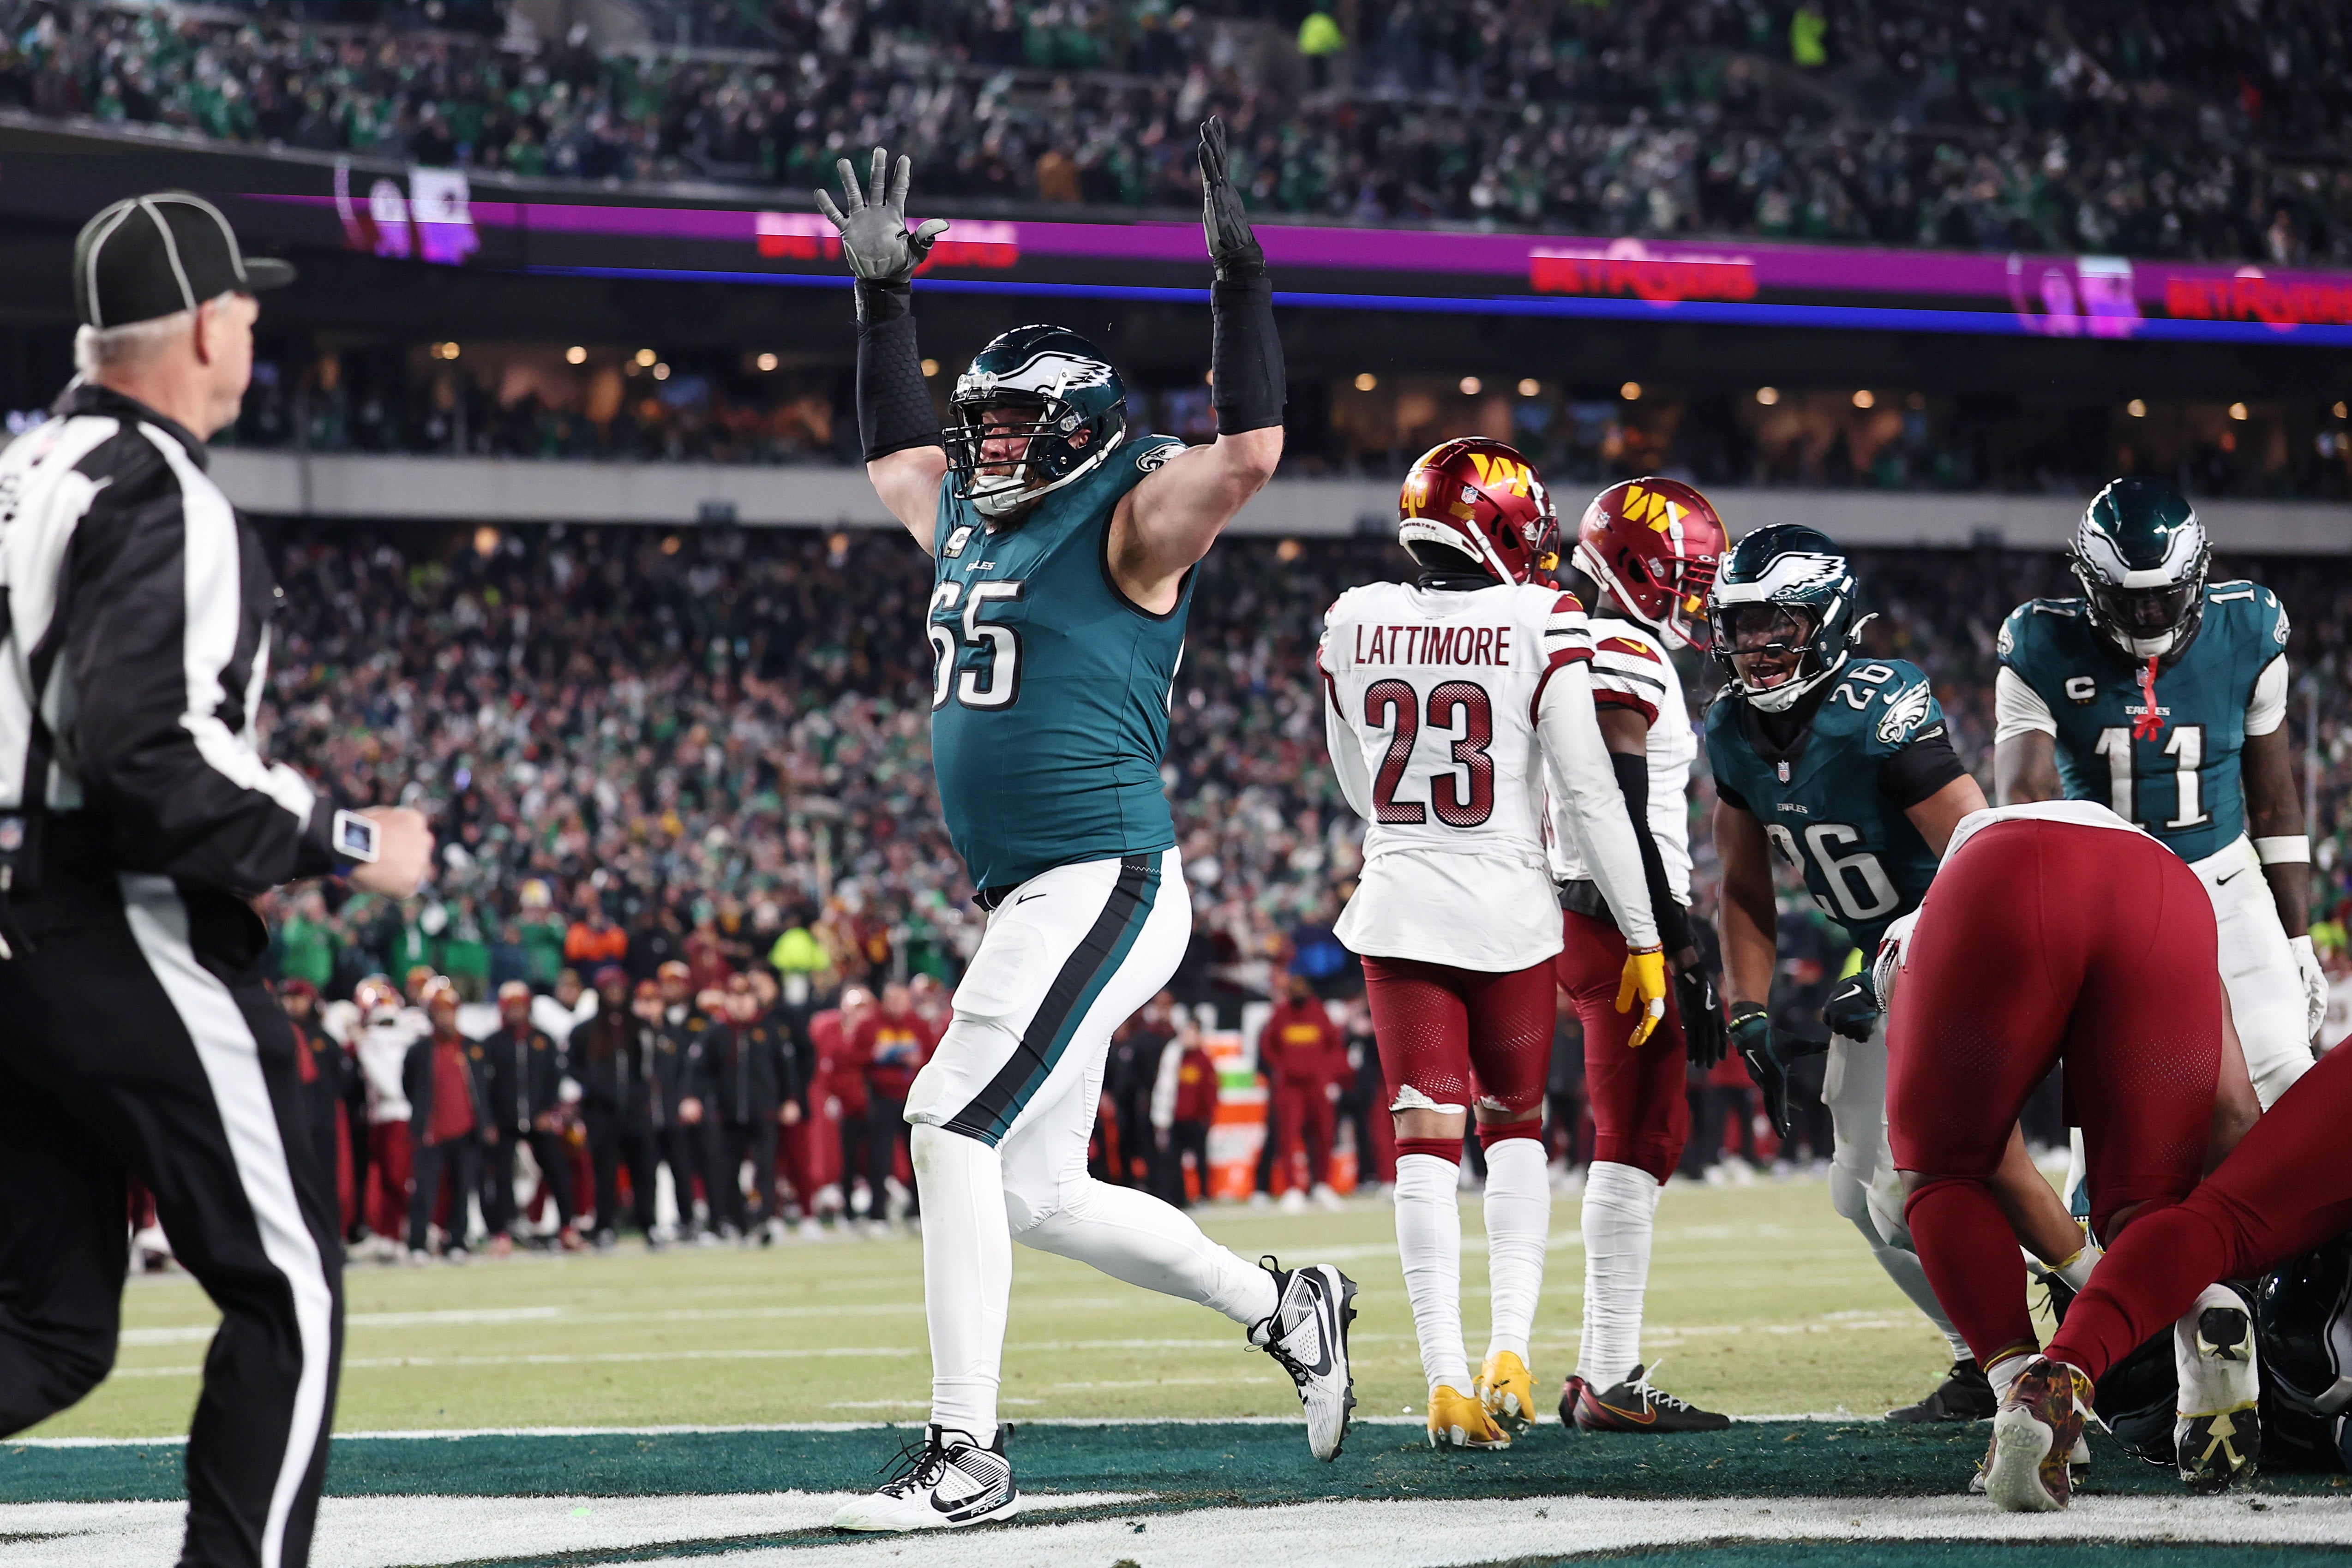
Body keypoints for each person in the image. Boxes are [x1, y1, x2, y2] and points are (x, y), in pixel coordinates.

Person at [819, 123, 1356, 1531]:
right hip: (1035, 889)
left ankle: (966, 1454)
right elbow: (890, 460)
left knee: (947, 1121)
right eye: (979, 423)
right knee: (1040, 1189)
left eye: (1009, 427)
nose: (985, 444)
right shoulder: (971, 523)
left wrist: (1240, 288)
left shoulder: (1126, 516)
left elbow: (1249, 452)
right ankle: (1286, 1303)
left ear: (1074, 433)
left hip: (1103, 870)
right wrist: (884, 306)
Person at [0, 188, 433, 1568]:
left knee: (47, 1327)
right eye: (245, 302)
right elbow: (139, 744)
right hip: (105, 923)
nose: (254, 322)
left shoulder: (19, 469)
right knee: (289, 1291)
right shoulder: (159, 488)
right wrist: (348, 838)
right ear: (204, 320)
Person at [1318, 437, 1667, 1448]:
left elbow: (1352, 776)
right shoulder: (1541, 618)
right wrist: (1640, 932)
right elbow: (1590, 794)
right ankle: (1508, 1349)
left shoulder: (1353, 616)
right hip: (1507, 905)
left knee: (1420, 1139)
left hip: (1400, 897)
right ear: (1505, 528)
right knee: (1514, 1128)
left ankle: (1440, 1380)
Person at [1705, 523, 2090, 1423]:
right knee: (1861, 1194)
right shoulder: (1730, 728)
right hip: (1885, 960)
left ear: (1830, 622)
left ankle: (2123, 1315)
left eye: (1777, 625)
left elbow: (1979, 857)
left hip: (1959, 947)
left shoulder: (1877, 704)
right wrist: (1747, 1008)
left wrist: (1892, 957)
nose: (1755, 645)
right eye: (1742, 624)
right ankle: (1984, 1353)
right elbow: (1741, 887)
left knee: (1959, 1169)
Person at [1882, 801, 2266, 1508]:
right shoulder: (2144, 867)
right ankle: (2205, 1311)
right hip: (2166, 885)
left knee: (1940, 1169)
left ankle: (2023, 1399)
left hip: (2005, 871)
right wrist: (2190, 1258)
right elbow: (2237, 1111)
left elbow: (1986, 1166)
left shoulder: (1914, 939)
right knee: (2148, 1204)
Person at [1993, 479, 2320, 1108]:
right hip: (2109, 901)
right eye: (2127, 599)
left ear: (2197, 575)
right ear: (2090, 584)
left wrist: (2298, 935)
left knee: (2285, 1074)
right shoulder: (2041, 644)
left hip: (2225, 881)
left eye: (2163, 598)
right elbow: (2026, 806)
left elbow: (2275, 802)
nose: (2146, 616)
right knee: (2124, 1113)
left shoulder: (2248, 628)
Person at [1547, 478, 1735, 1432]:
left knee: (1624, 1132)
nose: (1694, 599)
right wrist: (1671, 934)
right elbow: (1617, 803)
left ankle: (1590, 1368)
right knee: (1640, 1134)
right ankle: (1607, 1374)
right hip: (1613, 919)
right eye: (1686, 577)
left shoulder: (1558, 626)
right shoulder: (1618, 642)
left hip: (1563, 909)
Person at [479, 979, 582, 1253]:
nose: (516, 1012)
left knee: (558, 1171)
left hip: (539, 1118)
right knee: (499, 1178)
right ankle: (501, 1232)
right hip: (505, 1121)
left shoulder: (542, 1040)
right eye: (510, 1007)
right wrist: (489, 1120)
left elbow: (553, 1079)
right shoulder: (492, 1044)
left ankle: (567, 1228)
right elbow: (483, 1087)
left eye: (520, 1006)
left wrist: (550, 1111)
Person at [402, 978, 488, 1261]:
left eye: (449, 1010)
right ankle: (417, 1243)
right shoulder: (420, 1050)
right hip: (432, 1130)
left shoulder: (472, 1047)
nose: (445, 1017)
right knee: (425, 1191)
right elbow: (409, 1085)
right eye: (440, 1011)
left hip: (466, 1130)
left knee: (463, 1190)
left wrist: (485, 1123)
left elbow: (483, 1089)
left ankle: (457, 1242)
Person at [712, 972, 801, 1241]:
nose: (741, 1003)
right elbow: (699, 1071)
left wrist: (791, 1099)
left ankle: (765, 1221)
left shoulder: (770, 1030)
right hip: (727, 1114)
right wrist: (695, 1099)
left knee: (765, 1170)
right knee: (728, 1171)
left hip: (764, 1111)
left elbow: (787, 1069)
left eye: (746, 996)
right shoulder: (717, 1032)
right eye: (736, 997)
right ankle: (738, 1222)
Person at [577, 966, 658, 1248]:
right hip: (602, 1114)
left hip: (636, 1112)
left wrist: (640, 1094)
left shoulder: (640, 1028)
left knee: (645, 1171)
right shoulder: (586, 1031)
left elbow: (651, 1066)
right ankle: (605, 1226)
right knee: (604, 1173)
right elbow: (574, 1067)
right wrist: (601, 1089)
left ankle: (650, 1224)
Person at [1257, 971, 1348, 1212]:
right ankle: (1293, 1189)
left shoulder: (1318, 1013)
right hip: (1290, 1087)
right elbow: (1268, 1047)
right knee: (1288, 1137)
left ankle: (1322, 1186)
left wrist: (1327, 1075)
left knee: (1324, 1136)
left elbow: (1333, 1046)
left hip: (1316, 1086)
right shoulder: (1281, 1014)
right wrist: (1281, 1069)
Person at [853, 981, 939, 1227]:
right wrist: (875, 1055)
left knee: (920, 1157)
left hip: (915, 1098)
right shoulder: (869, 1025)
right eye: (892, 1000)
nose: (897, 1006)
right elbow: (852, 1058)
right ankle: (877, 1214)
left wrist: (918, 1061)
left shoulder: (919, 1026)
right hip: (882, 1098)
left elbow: (934, 1059)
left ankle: (918, 1213)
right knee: (879, 1157)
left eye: (901, 1000)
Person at [1151, 1016, 1220, 1207]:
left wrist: (1207, 1116)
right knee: (1173, 1161)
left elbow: (1211, 1090)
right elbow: (1166, 1088)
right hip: (1177, 1119)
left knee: (1201, 1159)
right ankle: (1180, 1199)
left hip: (1197, 1120)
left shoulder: (1204, 1061)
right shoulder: (1175, 1059)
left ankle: (1205, 1195)